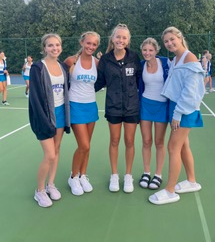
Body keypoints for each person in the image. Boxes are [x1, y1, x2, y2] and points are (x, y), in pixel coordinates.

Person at [149, 26, 205, 205]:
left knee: (173, 147)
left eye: (172, 39)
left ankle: (170, 190)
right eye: (166, 41)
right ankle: (191, 181)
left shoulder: (190, 58)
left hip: (184, 109)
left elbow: (191, 92)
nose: (169, 43)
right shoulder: (174, 60)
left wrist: (178, 114)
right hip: (176, 106)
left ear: (180, 38)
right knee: (182, 145)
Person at [95, 23, 142, 193]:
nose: (120, 40)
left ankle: (128, 176)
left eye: (124, 37)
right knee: (114, 141)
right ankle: (114, 175)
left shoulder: (134, 58)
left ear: (128, 40)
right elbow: (99, 82)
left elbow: (140, 81)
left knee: (129, 141)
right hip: (113, 107)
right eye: (118, 37)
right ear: (112, 39)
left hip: (131, 107)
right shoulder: (105, 60)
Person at [29, 33, 70, 208]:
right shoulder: (38, 67)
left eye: (57, 45)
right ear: (44, 48)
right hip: (44, 116)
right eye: (50, 45)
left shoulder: (62, 66)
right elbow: (36, 98)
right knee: (50, 154)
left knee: (57, 149)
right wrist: (44, 120)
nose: (55, 48)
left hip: (61, 113)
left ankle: (50, 184)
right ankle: (39, 191)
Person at [64, 31, 100, 196]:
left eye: (94, 44)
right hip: (75, 105)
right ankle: (73, 177)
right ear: (82, 42)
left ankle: (82, 175)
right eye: (88, 43)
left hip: (91, 105)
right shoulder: (71, 61)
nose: (91, 46)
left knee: (87, 146)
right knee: (83, 145)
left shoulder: (97, 62)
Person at [138, 38, 170, 190]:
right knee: (146, 141)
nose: (147, 53)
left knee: (159, 142)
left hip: (162, 106)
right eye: (145, 50)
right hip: (145, 105)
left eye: (150, 50)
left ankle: (158, 174)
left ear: (156, 51)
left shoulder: (166, 63)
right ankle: (146, 172)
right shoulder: (141, 65)